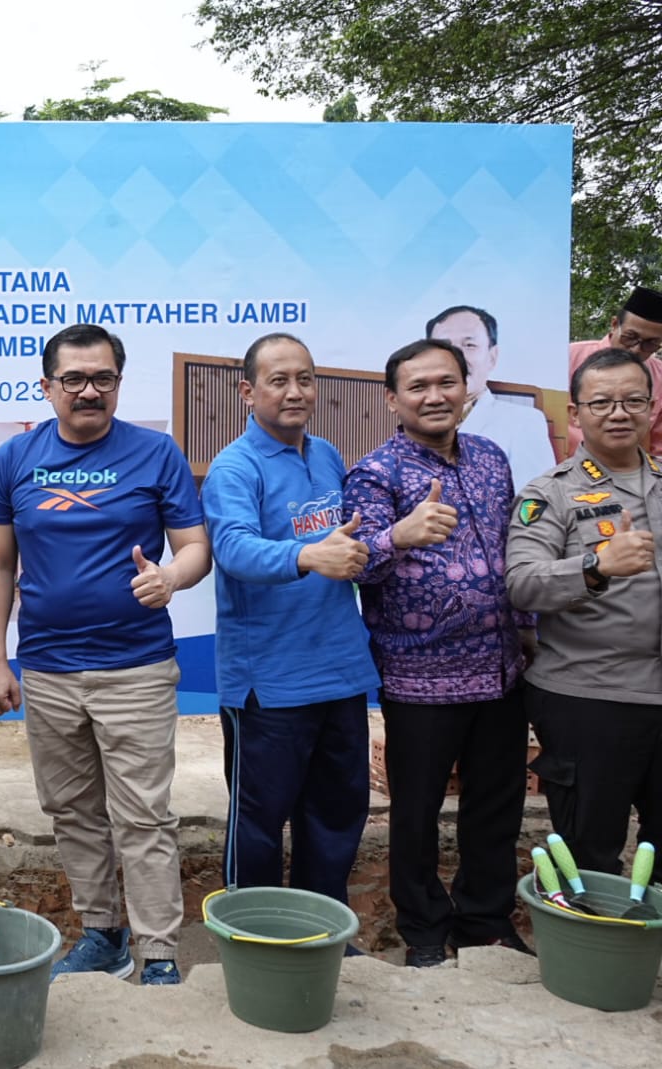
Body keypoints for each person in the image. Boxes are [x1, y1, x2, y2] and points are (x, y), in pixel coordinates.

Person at [0, 323, 210, 987]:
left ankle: (159, 950)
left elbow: (194, 545)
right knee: (74, 810)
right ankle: (102, 932)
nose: (89, 390)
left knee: (143, 815)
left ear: (118, 382)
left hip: (135, 667)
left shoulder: (156, 453)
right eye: (74, 379)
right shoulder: (14, 459)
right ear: (47, 386)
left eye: (102, 378)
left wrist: (172, 576)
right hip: (48, 670)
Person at [344, 339, 533, 967]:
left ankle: (486, 922)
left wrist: (527, 628)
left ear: (467, 388)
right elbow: (356, 566)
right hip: (420, 678)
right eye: (418, 386)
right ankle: (424, 932)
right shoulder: (375, 472)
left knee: (496, 806)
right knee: (417, 814)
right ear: (393, 399)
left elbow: (511, 550)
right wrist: (399, 534)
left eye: (446, 383)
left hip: (502, 668)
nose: (435, 396)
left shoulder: (491, 459)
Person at [202, 333, 380, 910]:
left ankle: (318, 927)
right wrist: (306, 555)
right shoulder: (235, 467)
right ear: (248, 391)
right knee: (258, 824)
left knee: (336, 814)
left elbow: (349, 543)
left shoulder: (327, 454)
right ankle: (256, 934)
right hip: (269, 685)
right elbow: (232, 549)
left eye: (304, 378)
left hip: (340, 672)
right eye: (279, 381)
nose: (295, 391)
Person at [507, 346, 662, 874]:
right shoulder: (550, 494)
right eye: (602, 403)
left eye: (632, 401)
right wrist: (596, 565)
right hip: (591, 699)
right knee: (590, 859)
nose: (619, 413)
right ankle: (592, 954)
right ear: (575, 415)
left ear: (652, 408)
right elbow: (522, 585)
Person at [425, 305, 554, 493]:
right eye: (444, 346)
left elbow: (537, 504)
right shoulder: (414, 421)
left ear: (492, 357)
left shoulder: (523, 422)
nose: (456, 356)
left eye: (469, 345)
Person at [566, 286, 662, 457]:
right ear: (614, 324)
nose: (636, 349)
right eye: (630, 337)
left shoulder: (660, 376)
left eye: (650, 344)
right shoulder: (569, 357)